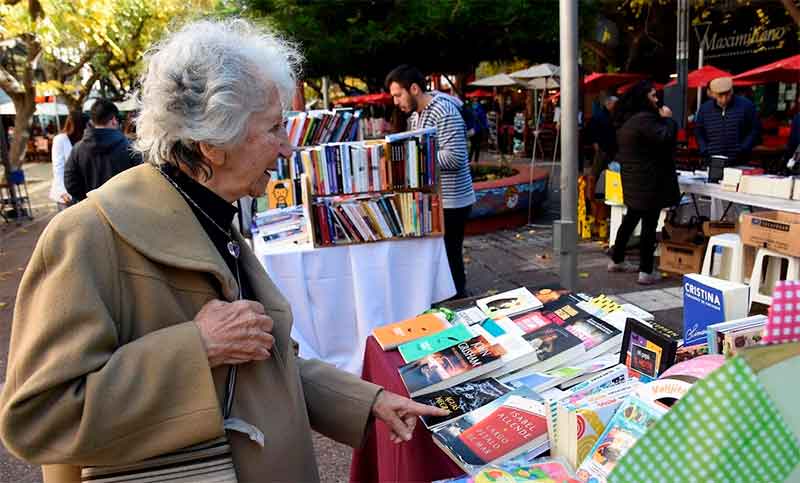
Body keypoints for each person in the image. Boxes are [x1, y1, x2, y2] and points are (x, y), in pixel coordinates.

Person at [0, 19, 446, 483]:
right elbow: (39, 418)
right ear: (212, 144)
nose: (287, 148)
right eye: (273, 128)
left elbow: (264, 361)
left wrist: (368, 401)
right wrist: (196, 347)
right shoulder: (87, 235)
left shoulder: (210, 215)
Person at [386, 64, 476, 299]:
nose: (396, 102)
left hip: (453, 200)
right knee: (439, 257)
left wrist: (414, 158)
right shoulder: (416, 116)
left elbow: (455, 157)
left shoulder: (443, 111)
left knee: (450, 256)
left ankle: (460, 302)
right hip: (436, 197)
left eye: (398, 95)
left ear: (414, 88)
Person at [608, 81, 680, 285]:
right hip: (649, 181)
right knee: (649, 224)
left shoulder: (630, 120)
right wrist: (668, 120)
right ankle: (646, 270)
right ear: (644, 98)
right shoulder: (646, 120)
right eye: (653, 95)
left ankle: (617, 258)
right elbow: (665, 138)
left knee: (630, 219)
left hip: (634, 179)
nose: (657, 99)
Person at [63, 98, 142, 202]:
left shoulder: (77, 150)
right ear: (114, 120)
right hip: (125, 208)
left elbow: (70, 183)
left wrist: (87, 201)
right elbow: (141, 179)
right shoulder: (131, 147)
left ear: (92, 120)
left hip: (91, 210)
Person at [694, 76, 761, 163]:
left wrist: (744, 148)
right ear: (712, 93)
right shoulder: (705, 108)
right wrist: (704, 149)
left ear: (732, 91)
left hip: (740, 159)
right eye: (720, 95)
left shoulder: (746, 106)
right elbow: (699, 131)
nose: (724, 99)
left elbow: (755, 129)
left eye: (727, 94)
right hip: (713, 159)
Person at [48, 113, 86, 211]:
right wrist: (62, 191)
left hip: (81, 191)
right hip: (65, 193)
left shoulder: (84, 139)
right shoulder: (60, 139)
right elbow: (58, 167)